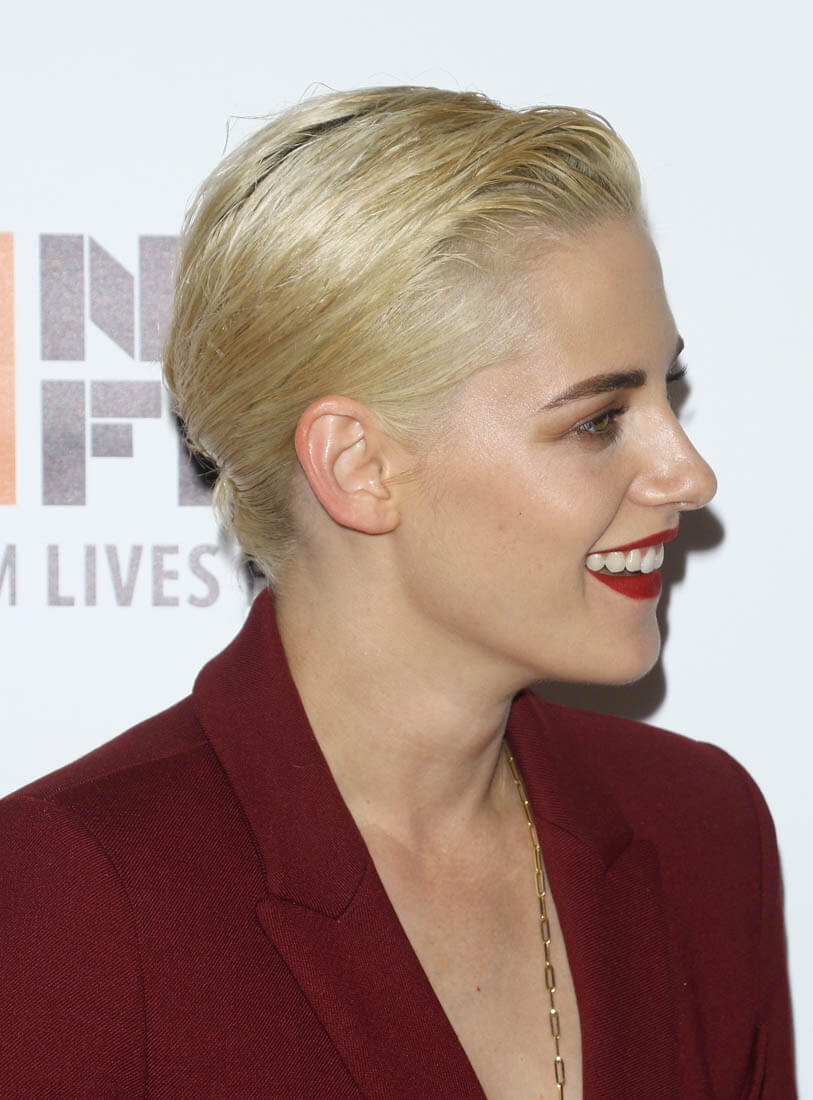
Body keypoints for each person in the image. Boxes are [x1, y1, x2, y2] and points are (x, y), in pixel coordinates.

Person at [0, 87, 796, 1099]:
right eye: (598, 420)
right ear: (359, 465)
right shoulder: (76, 892)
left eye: (667, 395)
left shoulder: (699, 831)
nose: (689, 474)